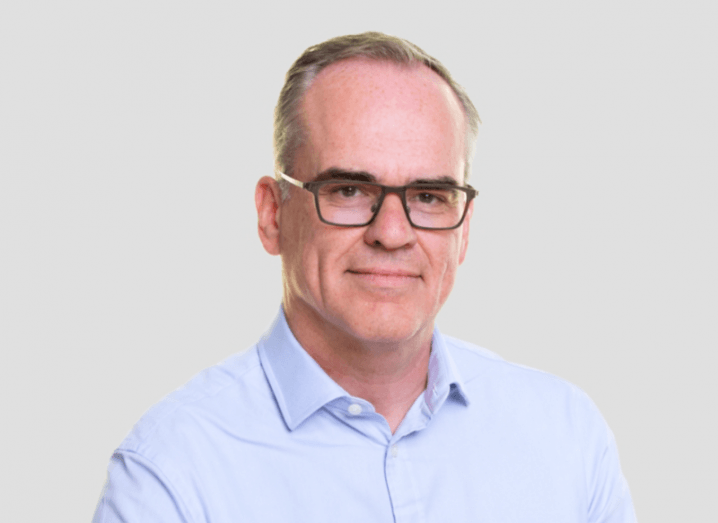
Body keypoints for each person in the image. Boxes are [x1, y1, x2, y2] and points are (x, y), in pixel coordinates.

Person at [93, 32, 636, 522]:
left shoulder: (567, 438)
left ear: (464, 228)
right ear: (273, 214)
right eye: (350, 190)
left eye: (429, 196)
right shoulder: (172, 474)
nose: (393, 233)